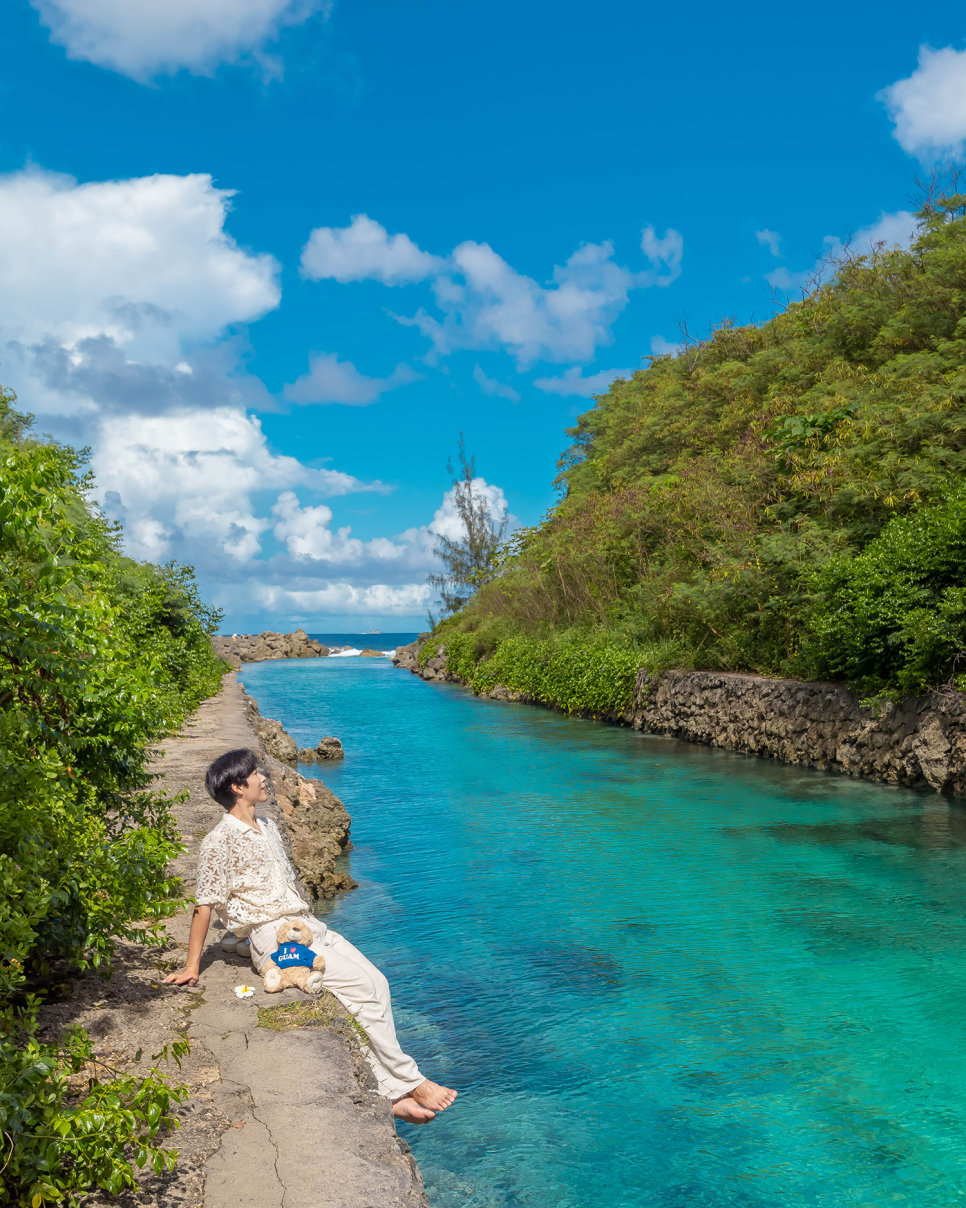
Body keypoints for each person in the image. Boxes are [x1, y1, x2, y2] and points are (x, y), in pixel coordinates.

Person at [163, 747, 457, 1124]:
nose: (265, 777)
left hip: (307, 925)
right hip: (275, 939)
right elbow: (205, 904)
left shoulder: (267, 826)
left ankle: (393, 1092)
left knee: (378, 983)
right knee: (359, 987)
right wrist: (192, 965)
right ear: (238, 787)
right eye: (256, 774)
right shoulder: (219, 840)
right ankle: (410, 1083)